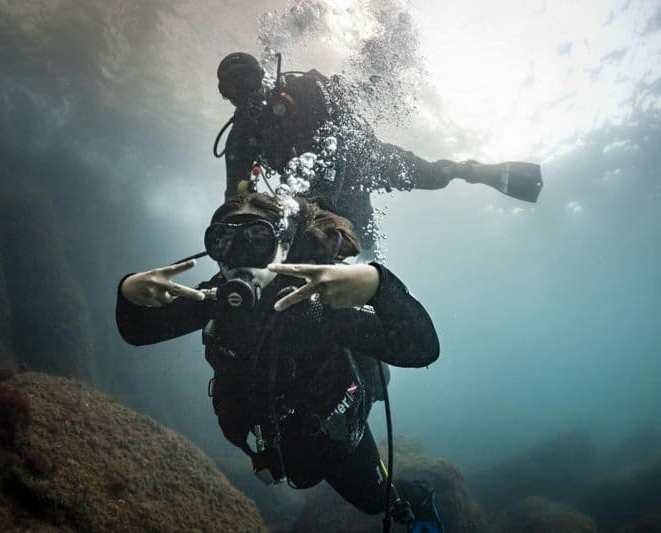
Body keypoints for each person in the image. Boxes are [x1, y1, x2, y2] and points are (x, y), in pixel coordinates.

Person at [116, 192, 442, 526]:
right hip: (276, 445)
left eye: (258, 241)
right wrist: (128, 291)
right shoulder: (214, 301)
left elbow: (421, 348)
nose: (241, 259)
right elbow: (138, 331)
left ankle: (421, 497)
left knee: (376, 501)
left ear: (283, 246)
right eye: (225, 242)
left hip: (335, 439)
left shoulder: (317, 306)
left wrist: (378, 285)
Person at [215, 52, 543, 251]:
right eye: (232, 88)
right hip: (318, 195)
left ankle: (468, 171)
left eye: (247, 79)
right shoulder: (240, 139)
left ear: (263, 75)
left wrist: (324, 197)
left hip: (366, 159)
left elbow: (338, 137)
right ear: (226, 97)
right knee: (362, 245)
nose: (244, 92)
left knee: (433, 178)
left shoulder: (301, 89)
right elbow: (237, 196)